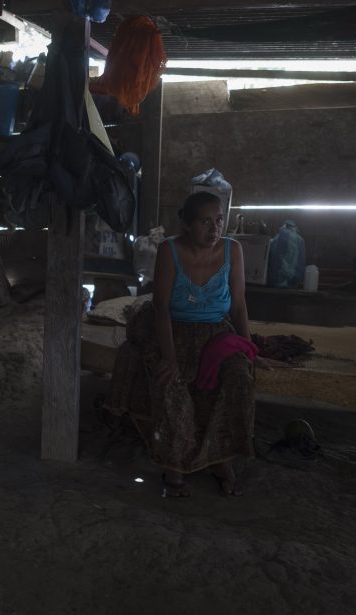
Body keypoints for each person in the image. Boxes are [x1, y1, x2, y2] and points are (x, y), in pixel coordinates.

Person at [105, 191, 265, 497]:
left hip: (218, 333)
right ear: (188, 225)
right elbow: (161, 308)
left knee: (239, 379)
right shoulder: (170, 250)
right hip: (173, 329)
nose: (214, 229)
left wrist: (247, 348)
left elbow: (239, 305)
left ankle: (221, 458)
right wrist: (171, 357)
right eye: (205, 222)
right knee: (171, 383)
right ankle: (174, 465)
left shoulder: (234, 250)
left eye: (219, 220)